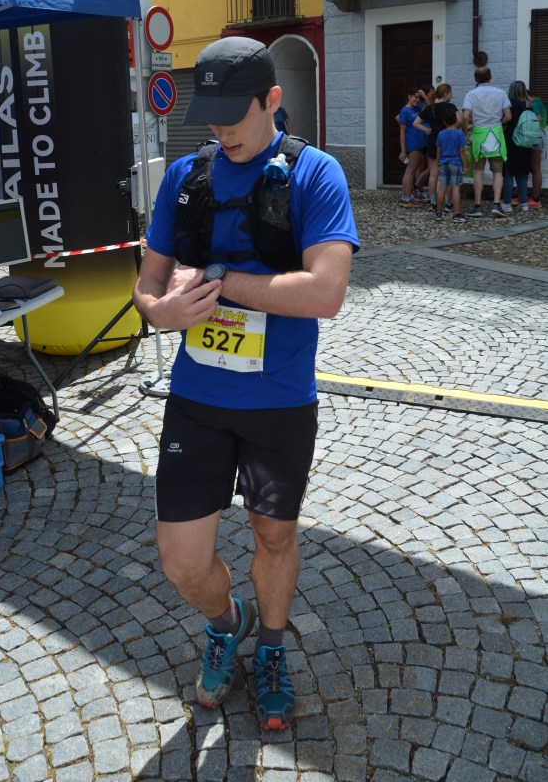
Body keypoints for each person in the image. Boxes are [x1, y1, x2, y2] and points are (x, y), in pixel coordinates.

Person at [132, 36, 359, 730]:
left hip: (279, 403)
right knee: (180, 559)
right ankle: (227, 620)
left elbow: (325, 292)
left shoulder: (316, 174)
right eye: (213, 114)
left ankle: (272, 648)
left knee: (273, 534)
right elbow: (147, 285)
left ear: (273, 100)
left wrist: (222, 282)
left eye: (236, 113)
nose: (222, 128)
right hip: (197, 402)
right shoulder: (186, 177)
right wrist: (162, 313)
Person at [462, 66, 511, 217]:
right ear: (490, 77)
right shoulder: (501, 93)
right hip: (496, 135)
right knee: (498, 172)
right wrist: (499, 124)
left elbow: (465, 116)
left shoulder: (471, 94)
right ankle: (496, 204)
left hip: (478, 136)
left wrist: (466, 133)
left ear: (475, 78)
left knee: (478, 172)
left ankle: (478, 206)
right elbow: (509, 116)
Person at [414, 83, 460, 208]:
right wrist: (452, 129)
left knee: (434, 174)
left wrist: (427, 129)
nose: (451, 95)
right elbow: (460, 121)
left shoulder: (430, 108)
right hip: (447, 141)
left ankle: (433, 201)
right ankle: (448, 201)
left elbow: (415, 123)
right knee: (448, 173)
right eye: (450, 93)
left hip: (432, 140)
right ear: (446, 94)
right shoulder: (450, 106)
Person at [500, 81, 533, 212]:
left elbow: (507, 119)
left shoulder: (510, 104)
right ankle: (523, 203)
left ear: (512, 90)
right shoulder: (529, 105)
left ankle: (507, 203)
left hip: (511, 140)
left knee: (508, 172)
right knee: (522, 172)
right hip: (526, 141)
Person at [398, 88, 430, 206]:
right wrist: (403, 151)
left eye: (419, 97)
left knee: (410, 170)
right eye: (415, 97)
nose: (417, 100)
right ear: (409, 96)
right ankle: (407, 198)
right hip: (413, 144)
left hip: (421, 143)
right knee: (410, 171)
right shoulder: (405, 111)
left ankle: (405, 197)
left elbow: (430, 108)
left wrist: (425, 97)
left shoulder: (419, 107)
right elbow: (402, 132)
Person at [434, 108, 467, 222]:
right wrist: (465, 165)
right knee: (455, 188)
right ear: (456, 120)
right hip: (456, 163)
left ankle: (438, 213)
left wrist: (438, 163)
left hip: (443, 163)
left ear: (444, 121)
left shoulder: (441, 134)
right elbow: (461, 151)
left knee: (442, 188)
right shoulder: (459, 133)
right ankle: (456, 214)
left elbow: (438, 150)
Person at [527, 87, 546, 206]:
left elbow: (538, 119)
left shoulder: (534, 102)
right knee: (534, 168)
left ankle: (535, 198)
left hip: (536, 136)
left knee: (535, 168)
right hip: (539, 136)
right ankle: (533, 197)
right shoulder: (538, 101)